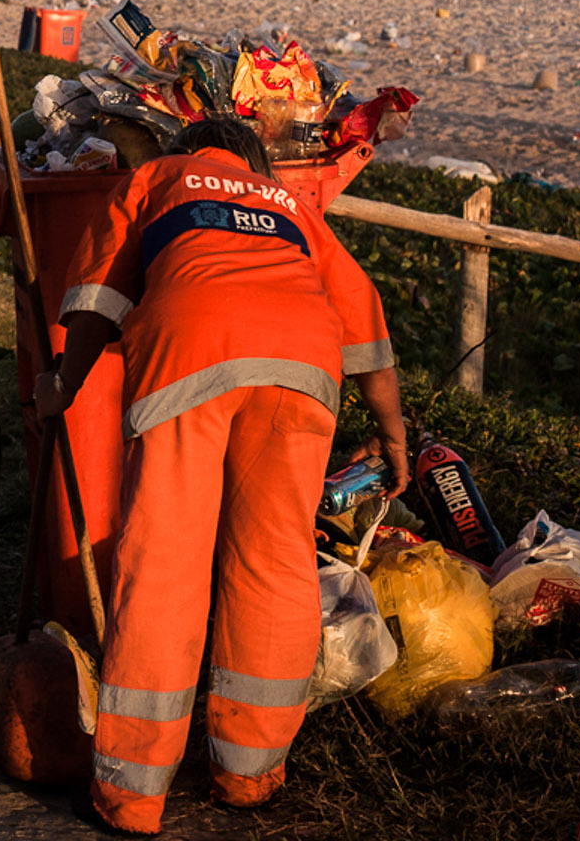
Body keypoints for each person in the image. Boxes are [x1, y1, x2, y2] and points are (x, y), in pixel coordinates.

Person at [33, 117, 406, 835]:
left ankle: (132, 797)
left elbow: (99, 294)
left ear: (188, 150)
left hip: (189, 353)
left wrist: (62, 386)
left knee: (164, 567)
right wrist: (392, 433)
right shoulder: (288, 204)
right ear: (253, 160)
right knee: (272, 565)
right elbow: (363, 325)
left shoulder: (155, 178)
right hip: (302, 367)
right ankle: (249, 775)